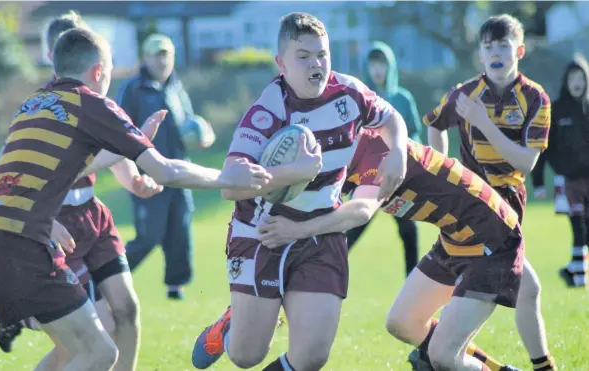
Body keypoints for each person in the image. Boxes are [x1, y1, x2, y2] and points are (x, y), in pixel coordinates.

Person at [0, 27, 271, 371]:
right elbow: (164, 172)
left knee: (85, 345)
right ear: (98, 71)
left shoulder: (34, 105)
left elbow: (54, 170)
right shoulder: (92, 104)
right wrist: (226, 177)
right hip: (24, 241)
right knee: (100, 353)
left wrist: (129, 146)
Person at [190, 12, 409, 371]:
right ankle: (231, 323)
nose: (316, 64)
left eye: (322, 54)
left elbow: (390, 118)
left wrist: (398, 149)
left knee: (311, 357)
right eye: (303, 56)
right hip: (262, 232)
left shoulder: (350, 94)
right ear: (281, 64)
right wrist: (298, 171)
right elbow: (230, 186)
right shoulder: (268, 110)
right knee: (246, 356)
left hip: (319, 232)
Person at [258, 130, 527, 371]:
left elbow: (360, 212)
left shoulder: (376, 151)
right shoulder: (340, 157)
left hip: (493, 240)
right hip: (455, 240)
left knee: (443, 357)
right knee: (403, 322)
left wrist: (294, 230)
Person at [0, 12, 165, 371]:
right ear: (54, 55)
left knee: (126, 311)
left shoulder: (90, 98)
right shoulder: (44, 104)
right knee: (89, 337)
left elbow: (113, 154)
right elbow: (12, 176)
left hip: (92, 216)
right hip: (56, 225)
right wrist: (37, 218)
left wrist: (134, 180)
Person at [423, 14, 556, 370]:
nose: (495, 53)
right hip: (475, 206)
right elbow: (435, 124)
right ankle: (446, 353)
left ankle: (440, 351)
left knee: (528, 288)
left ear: (520, 51)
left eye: (503, 45)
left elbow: (526, 164)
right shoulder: (466, 93)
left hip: (509, 205)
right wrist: (446, 169)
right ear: (480, 55)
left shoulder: (536, 98)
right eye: (488, 46)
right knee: (503, 283)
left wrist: (483, 123)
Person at [117, 34, 209, 300]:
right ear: (145, 58)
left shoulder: (176, 87)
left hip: (178, 175)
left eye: (166, 54)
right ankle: (108, 278)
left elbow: (190, 124)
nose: (162, 60)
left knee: (179, 232)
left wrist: (203, 136)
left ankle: (175, 287)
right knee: (149, 237)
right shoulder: (133, 89)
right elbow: (121, 131)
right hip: (147, 176)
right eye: (156, 54)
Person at [344, 41, 422, 276]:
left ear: (391, 66)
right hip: (367, 180)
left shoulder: (403, 99)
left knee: (409, 232)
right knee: (350, 232)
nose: (377, 69)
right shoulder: (361, 99)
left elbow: (414, 135)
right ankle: (322, 281)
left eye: (382, 64)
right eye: (373, 64)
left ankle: (414, 293)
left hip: (396, 179)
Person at [531, 53, 589, 288]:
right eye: (572, 78)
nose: (577, 83)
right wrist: (538, 183)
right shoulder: (555, 110)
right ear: (566, 81)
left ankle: (572, 270)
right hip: (568, 180)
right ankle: (579, 279)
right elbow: (543, 149)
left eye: (581, 78)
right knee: (577, 226)